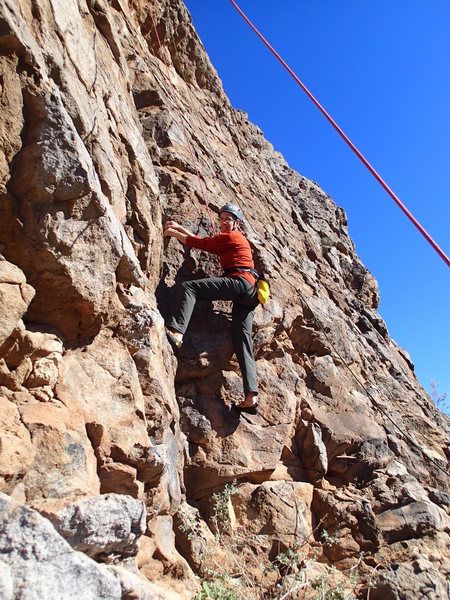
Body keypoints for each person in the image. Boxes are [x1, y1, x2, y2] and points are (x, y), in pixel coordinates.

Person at [164, 203, 259, 412]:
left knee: (190, 288)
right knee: (242, 339)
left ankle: (177, 333)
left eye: (228, 219)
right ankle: (251, 397)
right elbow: (204, 241)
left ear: (237, 223)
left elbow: (200, 244)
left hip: (240, 283)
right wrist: (180, 229)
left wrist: (172, 231)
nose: (224, 222)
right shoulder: (235, 239)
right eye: (222, 219)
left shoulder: (231, 237)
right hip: (251, 292)